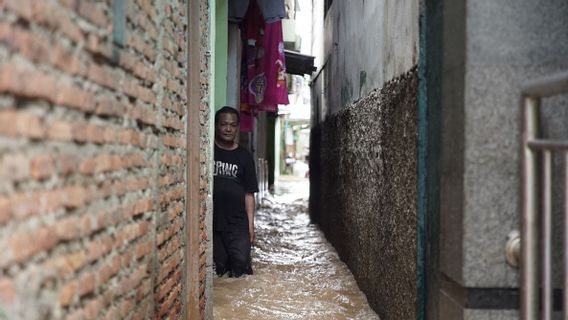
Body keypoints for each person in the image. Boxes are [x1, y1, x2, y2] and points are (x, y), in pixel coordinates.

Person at [213, 106, 259, 277]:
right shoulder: (208, 151)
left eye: (232, 125)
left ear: (238, 128)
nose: (228, 129)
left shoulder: (244, 156)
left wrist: (250, 225)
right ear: (217, 126)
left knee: (240, 265)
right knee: (220, 267)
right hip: (213, 221)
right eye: (224, 124)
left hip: (237, 223)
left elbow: (249, 193)